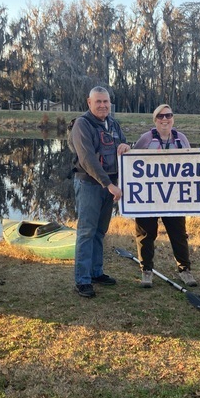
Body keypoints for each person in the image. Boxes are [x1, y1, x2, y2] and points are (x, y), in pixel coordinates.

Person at [68, 86, 130, 298]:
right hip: (90, 185)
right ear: (89, 102)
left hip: (109, 186)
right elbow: (87, 159)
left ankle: (96, 272)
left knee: (99, 232)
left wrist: (125, 146)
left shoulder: (113, 123)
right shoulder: (81, 125)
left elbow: (122, 142)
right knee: (86, 231)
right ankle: (82, 280)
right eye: (98, 102)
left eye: (106, 101)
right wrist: (108, 184)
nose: (103, 105)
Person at [132, 104, 196, 289]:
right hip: (148, 195)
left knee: (178, 234)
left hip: (173, 196)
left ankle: (185, 270)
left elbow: (192, 164)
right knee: (145, 234)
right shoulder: (146, 139)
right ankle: (146, 270)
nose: (164, 119)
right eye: (160, 116)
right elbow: (132, 162)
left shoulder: (181, 139)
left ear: (173, 118)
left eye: (168, 115)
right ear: (155, 120)